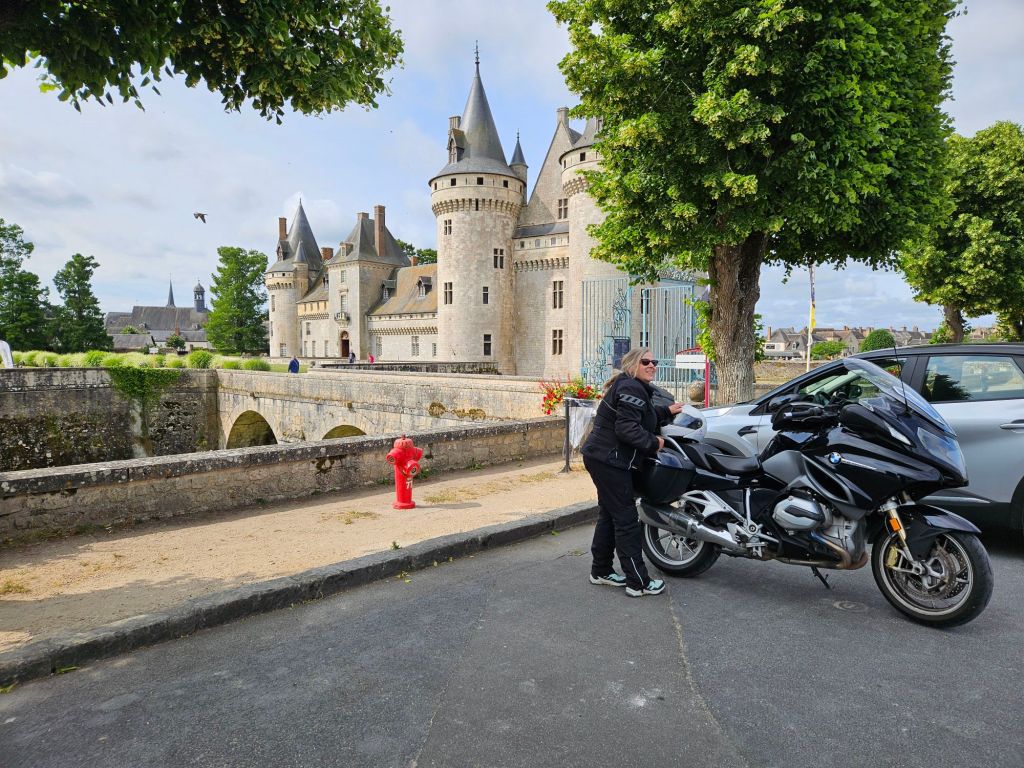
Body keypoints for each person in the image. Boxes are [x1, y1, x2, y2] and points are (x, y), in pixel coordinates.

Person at [581, 348, 683, 597]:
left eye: (654, 361)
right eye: (645, 361)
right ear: (631, 365)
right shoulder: (631, 387)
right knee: (626, 520)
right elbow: (627, 429)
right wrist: (654, 443)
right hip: (609, 460)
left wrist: (666, 411)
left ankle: (601, 570)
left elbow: (642, 415)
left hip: (602, 457)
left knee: (609, 514)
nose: (652, 365)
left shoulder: (631, 386)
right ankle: (638, 582)